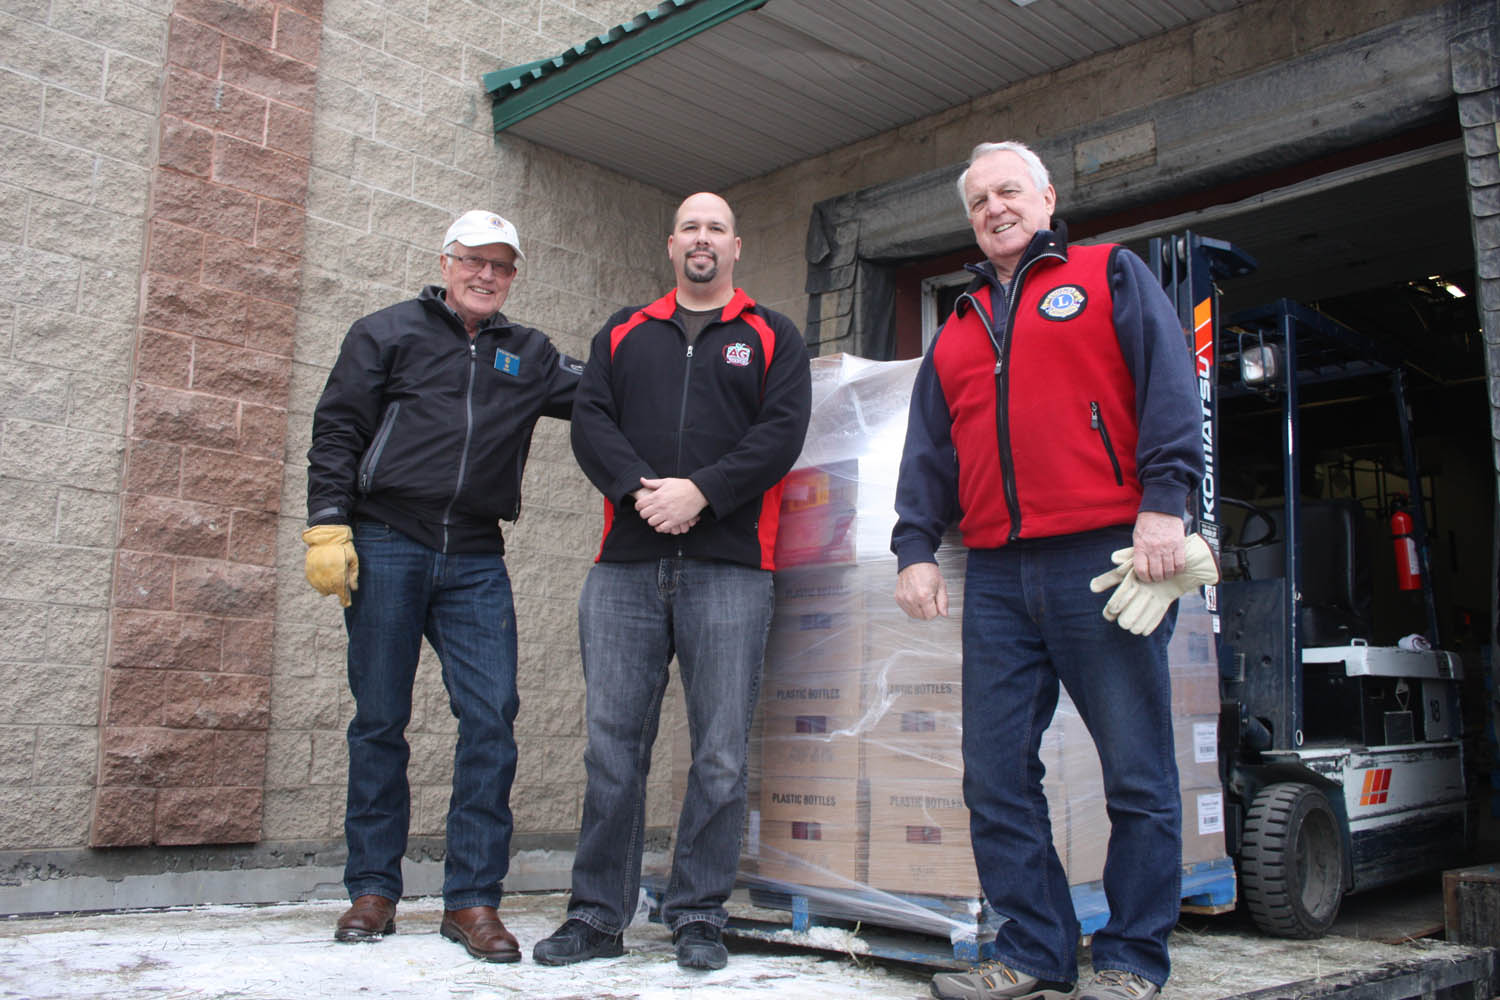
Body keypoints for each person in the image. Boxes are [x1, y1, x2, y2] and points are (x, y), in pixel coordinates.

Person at [891, 142, 1214, 1000]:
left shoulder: (1108, 274)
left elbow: (1169, 383)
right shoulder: (957, 328)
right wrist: (914, 547)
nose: (994, 208)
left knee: (1136, 772)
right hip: (998, 573)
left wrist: (1166, 500)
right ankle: (1034, 950)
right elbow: (928, 452)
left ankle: (1132, 958)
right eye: (978, 201)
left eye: (1008, 191)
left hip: (1103, 558)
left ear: (1046, 197)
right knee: (995, 774)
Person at [532, 192, 812, 972]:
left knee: (720, 752)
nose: (702, 237)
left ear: (735, 247)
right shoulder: (625, 332)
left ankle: (697, 914)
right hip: (625, 567)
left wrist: (703, 493)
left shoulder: (772, 336)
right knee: (612, 751)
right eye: (690, 226)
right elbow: (591, 422)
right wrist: (640, 493)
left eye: (716, 227)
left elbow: (781, 433)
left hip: (730, 569)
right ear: (671, 244)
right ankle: (596, 916)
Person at [303, 210, 584, 962]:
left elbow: (610, 391)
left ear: (513, 276)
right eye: (473, 260)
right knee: (380, 719)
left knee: (491, 717)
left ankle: (472, 900)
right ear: (446, 263)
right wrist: (328, 523)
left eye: (501, 265)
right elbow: (337, 430)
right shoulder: (384, 333)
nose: (486, 275)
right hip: (386, 540)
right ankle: (373, 890)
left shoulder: (529, 353)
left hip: (476, 557)